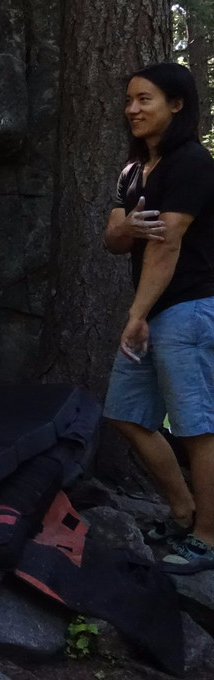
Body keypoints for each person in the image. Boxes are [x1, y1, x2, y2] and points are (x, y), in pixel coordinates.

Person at [102, 61, 214, 574]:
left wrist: (136, 314)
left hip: (189, 308)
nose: (132, 109)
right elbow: (113, 238)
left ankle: (208, 538)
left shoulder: (191, 163)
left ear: (177, 105)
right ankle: (183, 509)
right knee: (126, 414)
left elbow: (166, 245)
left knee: (197, 427)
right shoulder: (132, 170)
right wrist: (130, 230)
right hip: (153, 311)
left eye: (145, 99)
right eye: (130, 99)